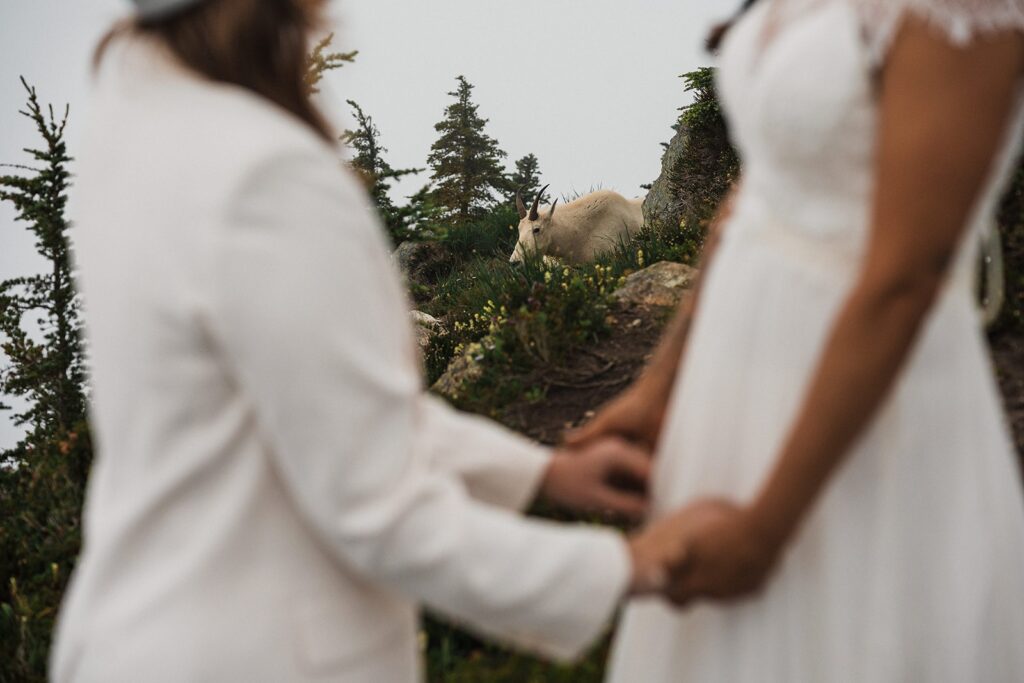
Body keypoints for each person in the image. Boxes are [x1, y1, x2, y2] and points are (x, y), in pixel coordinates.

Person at [49, 1, 697, 680]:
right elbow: (376, 504)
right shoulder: (263, 173)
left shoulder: (131, 134)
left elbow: (316, 414)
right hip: (262, 651)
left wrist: (540, 473)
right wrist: (625, 566)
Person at [569, 0, 1024, 680]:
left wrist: (765, 530)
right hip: (730, 398)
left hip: (864, 413)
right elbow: (759, 190)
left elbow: (906, 276)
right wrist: (661, 387)